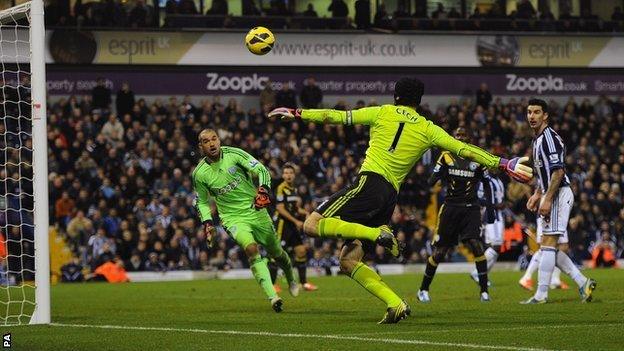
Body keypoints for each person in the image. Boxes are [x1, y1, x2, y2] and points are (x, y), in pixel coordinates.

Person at [268, 77, 532, 323]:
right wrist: (502, 162)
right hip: (389, 198)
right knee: (349, 262)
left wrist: (297, 112)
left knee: (311, 224)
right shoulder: (428, 128)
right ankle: (395, 304)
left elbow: (335, 117)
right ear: (419, 101)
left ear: (395, 96)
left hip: (368, 183)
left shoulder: (382, 111)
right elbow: (462, 148)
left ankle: (375, 233)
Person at [192, 129, 298, 312]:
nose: (211, 143)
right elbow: (201, 202)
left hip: (256, 210)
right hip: (232, 218)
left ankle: (290, 275)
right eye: (206, 141)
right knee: (250, 249)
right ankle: (273, 296)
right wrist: (208, 223)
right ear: (200, 147)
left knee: (277, 253)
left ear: (218, 140)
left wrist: (263, 190)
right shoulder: (199, 174)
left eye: (214, 139)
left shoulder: (234, 154)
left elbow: (261, 169)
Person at [520, 99, 596, 304]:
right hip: (551, 192)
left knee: (549, 243)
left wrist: (547, 198)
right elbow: (544, 173)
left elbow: (558, 171)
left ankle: (541, 294)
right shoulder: (537, 140)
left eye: (536, 112)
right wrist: (537, 194)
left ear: (545, 116)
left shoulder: (549, 139)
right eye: (529, 112)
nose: (532, 116)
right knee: (548, 244)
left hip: (558, 193)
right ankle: (583, 282)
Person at [416, 127, 492, 303]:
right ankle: (423, 289)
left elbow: (487, 183)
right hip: (450, 208)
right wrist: (438, 171)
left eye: (463, 134)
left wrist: (490, 208)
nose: (459, 137)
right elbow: (431, 181)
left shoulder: (478, 157)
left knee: (476, 245)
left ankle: (484, 292)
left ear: (469, 138)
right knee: (440, 251)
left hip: (471, 208)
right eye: (457, 135)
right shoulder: (446, 156)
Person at [270, 163, 318, 292]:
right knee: (277, 254)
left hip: (291, 224)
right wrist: (296, 221)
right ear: (283, 175)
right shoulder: (281, 188)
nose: (288, 175)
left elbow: (295, 208)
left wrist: (305, 212)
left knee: (301, 251)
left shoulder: (294, 189)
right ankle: (272, 284)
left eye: (290, 173)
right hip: (281, 224)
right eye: (285, 173)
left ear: (294, 175)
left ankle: (304, 283)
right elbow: (280, 209)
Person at [469, 170, 505, 285]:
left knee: (496, 248)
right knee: (496, 246)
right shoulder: (484, 180)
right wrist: (494, 205)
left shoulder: (499, 180)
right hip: (490, 216)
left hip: (499, 216)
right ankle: (477, 272)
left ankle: (482, 275)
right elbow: (478, 198)